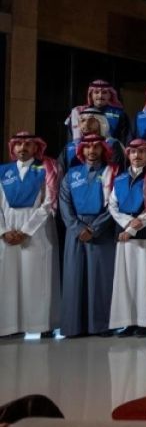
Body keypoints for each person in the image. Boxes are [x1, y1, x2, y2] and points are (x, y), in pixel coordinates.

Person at [0, 132, 60, 339]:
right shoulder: (3, 171)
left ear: (36, 148)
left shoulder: (47, 169)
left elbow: (49, 202)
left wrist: (26, 230)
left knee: (37, 280)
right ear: (13, 148)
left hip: (37, 232)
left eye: (27, 144)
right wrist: (3, 231)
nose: (22, 148)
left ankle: (41, 325)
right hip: (8, 233)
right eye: (18, 144)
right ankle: (10, 327)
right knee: (9, 281)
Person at [59, 134, 118, 338]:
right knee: (74, 277)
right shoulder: (71, 174)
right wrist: (77, 228)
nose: (91, 151)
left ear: (103, 149)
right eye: (87, 147)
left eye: (96, 147)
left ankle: (101, 326)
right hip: (75, 232)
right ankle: (73, 326)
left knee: (100, 279)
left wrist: (93, 229)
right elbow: (64, 204)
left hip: (102, 231)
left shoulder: (112, 173)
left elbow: (114, 204)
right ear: (81, 150)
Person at [107, 139, 146, 338]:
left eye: (141, 152)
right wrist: (127, 224)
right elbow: (112, 205)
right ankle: (129, 322)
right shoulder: (120, 178)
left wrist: (131, 229)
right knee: (126, 280)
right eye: (132, 152)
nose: (136, 156)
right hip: (124, 235)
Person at [66, 79, 130, 143]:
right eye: (96, 92)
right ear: (91, 95)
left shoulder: (120, 114)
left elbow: (125, 139)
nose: (100, 96)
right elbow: (73, 139)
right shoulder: (79, 112)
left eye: (104, 92)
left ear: (110, 95)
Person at [61, 108, 125, 170]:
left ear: (101, 122)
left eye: (91, 120)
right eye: (83, 121)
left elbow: (115, 171)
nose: (86, 124)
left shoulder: (112, 144)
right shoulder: (70, 147)